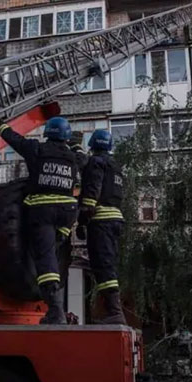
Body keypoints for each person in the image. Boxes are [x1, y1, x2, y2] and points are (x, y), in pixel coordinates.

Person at [0, 112, 85, 324]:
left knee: (45, 255)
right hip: (67, 213)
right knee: (55, 251)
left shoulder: (37, 149)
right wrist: (76, 145)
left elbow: (13, 138)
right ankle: (55, 295)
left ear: (47, 134)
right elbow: (83, 159)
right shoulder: (73, 157)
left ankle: (55, 310)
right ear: (65, 137)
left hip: (43, 211)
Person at [77, 129, 127, 325]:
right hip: (115, 219)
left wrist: (82, 220)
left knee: (102, 265)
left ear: (92, 145)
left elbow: (92, 191)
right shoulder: (116, 166)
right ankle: (113, 311)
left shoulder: (96, 162)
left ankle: (114, 312)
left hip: (101, 220)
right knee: (108, 265)